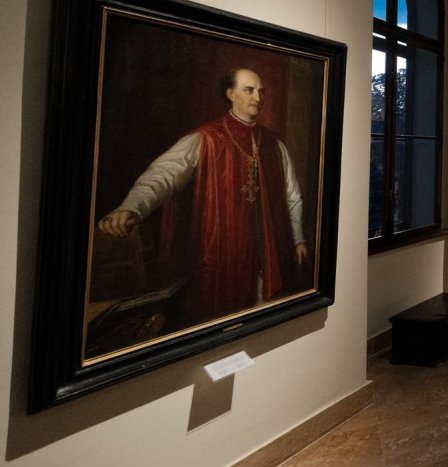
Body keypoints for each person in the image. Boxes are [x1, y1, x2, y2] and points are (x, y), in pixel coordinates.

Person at [98, 68, 308, 325]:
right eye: (249, 90)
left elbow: (292, 196)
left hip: (266, 253)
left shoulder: (275, 145)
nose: (258, 98)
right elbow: (163, 175)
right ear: (231, 94)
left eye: (261, 91)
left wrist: (298, 238)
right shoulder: (206, 138)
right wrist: (132, 207)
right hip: (223, 253)